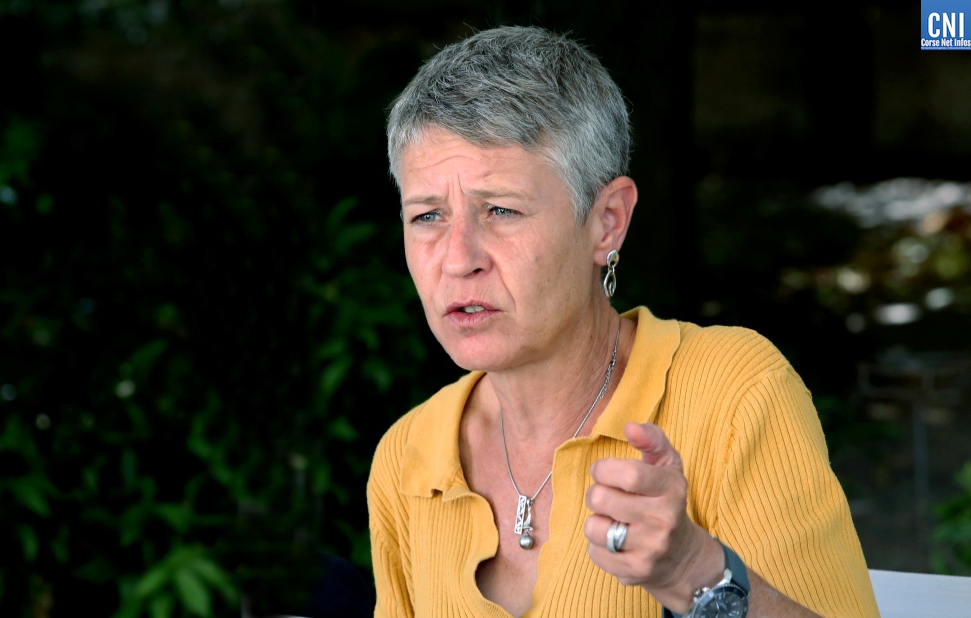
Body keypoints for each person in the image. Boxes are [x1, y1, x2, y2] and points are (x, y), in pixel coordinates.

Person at [367, 25, 879, 618]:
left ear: (608, 221)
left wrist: (694, 572)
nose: (458, 259)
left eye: (501, 210)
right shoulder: (408, 458)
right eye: (427, 216)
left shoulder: (732, 393)